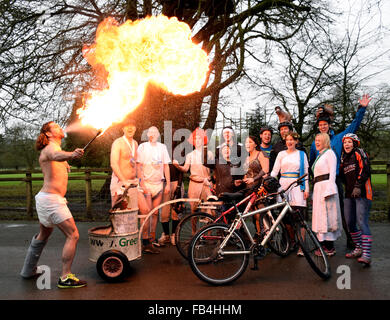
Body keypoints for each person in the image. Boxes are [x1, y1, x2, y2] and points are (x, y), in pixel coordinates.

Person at [20, 121, 86, 288]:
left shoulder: (56, 149)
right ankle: (65, 277)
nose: (60, 127)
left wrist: (69, 158)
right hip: (50, 200)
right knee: (73, 235)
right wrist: (71, 154)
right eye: (55, 126)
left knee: (43, 234)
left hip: (47, 199)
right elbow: (56, 155)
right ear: (48, 134)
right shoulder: (50, 148)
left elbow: (59, 158)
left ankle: (28, 270)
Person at [309, 94, 371, 249]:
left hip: (337, 179)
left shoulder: (338, 139)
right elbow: (312, 163)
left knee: (342, 209)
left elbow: (353, 127)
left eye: (325, 124)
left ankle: (351, 240)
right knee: (321, 212)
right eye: (320, 125)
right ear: (318, 127)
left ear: (329, 125)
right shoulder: (315, 144)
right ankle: (324, 242)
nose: (323, 127)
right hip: (320, 182)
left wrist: (361, 109)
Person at [270, 132, 309, 256]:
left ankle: (302, 246)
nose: (290, 142)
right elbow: (275, 172)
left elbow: (306, 173)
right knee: (286, 217)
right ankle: (291, 242)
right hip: (283, 186)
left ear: (296, 141)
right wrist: (267, 182)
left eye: (292, 140)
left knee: (300, 217)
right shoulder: (281, 154)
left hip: (298, 186)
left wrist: (306, 189)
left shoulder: (302, 154)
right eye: (288, 140)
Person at [340, 133, 373, 267]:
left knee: (361, 221)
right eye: (345, 142)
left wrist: (358, 185)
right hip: (349, 194)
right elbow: (342, 176)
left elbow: (365, 169)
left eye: (349, 142)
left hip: (363, 193)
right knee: (349, 222)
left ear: (355, 143)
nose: (346, 144)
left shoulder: (360, 152)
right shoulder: (344, 158)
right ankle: (358, 248)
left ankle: (367, 254)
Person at [137, 126, 171, 253]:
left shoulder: (162, 147)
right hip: (146, 183)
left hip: (159, 184)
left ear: (158, 134)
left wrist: (167, 183)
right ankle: (145, 240)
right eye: (150, 132)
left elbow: (166, 166)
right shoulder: (143, 147)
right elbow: (138, 167)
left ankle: (151, 239)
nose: (153, 135)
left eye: (155, 132)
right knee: (147, 213)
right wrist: (143, 184)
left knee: (155, 213)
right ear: (147, 135)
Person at [311, 133, 342, 256]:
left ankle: (329, 247)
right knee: (320, 216)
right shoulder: (320, 155)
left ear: (325, 141)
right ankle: (322, 244)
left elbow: (333, 172)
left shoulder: (329, 153)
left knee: (328, 216)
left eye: (319, 140)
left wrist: (329, 189)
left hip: (326, 187)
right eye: (316, 140)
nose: (317, 142)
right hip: (318, 187)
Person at [173, 128, 212, 213]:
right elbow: (185, 169)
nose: (197, 140)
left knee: (209, 211)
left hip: (206, 184)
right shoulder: (190, 155)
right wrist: (177, 166)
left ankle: (208, 226)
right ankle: (194, 227)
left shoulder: (209, 154)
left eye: (199, 138)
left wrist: (214, 183)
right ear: (193, 141)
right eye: (195, 138)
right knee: (193, 211)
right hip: (194, 184)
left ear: (203, 140)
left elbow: (215, 169)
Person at [236, 135, 269, 234]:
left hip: (260, 189)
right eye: (246, 142)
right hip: (249, 190)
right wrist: (241, 180)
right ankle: (259, 236)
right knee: (254, 216)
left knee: (261, 215)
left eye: (250, 142)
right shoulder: (246, 157)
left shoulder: (261, 154)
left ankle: (267, 239)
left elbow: (266, 169)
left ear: (255, 144)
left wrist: (254, 179)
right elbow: (247, 174)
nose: (247, 144)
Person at [158, 129, 184, 246]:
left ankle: (174, 234)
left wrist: (178, 186)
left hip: (176, 183)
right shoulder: (161, 151)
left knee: (176, 211)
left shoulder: (179, 151)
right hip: (164, 184)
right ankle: (166, 234)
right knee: (164, 212)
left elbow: (181, 172)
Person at [109, 119, 138, 207]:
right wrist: (124, 181)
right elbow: (113, 164)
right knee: (118, 216)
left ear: (135, 128)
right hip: (120, 184)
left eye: (132, 126)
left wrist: (137, 178)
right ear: (123, 129)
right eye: (127, 126)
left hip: (132, 184)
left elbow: (135, 163)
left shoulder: (135, 143)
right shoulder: (118, 143)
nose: (129, 128)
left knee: (133, 213)